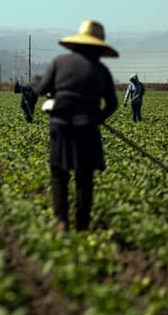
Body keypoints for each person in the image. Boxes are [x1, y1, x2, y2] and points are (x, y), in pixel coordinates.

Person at [35, 20, 118, 233]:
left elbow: (42, 89)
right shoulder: (101, 70)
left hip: (60, 124)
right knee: (84, 176)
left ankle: (61, 220)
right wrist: (98, 117)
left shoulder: (59, 62)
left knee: (59, 173)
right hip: (87, 126)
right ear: (98, 47)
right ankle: (82, 223)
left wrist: (38, 83)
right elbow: (112, 104)